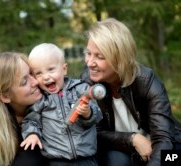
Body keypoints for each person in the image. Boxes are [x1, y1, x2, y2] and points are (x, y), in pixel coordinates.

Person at [80, 17, 181, 166]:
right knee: (115, 160)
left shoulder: (147, 81)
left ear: (120, 58)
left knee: (172, 159)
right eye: (88, 53)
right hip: (122, 150)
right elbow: (95, 133)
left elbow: (164, 140)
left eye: (99, 56)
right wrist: (132, 139)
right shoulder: (88, 81)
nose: (90, 63)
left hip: (164, 148)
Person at [20, 43, 103, 166]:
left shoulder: (80, 89)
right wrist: (32, 133)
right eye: (38, 73)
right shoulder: (41, 100)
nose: (46, 77)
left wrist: (88, 113)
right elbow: (30, 121)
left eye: (51, 70)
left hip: (86, 158)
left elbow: (98, 116)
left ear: (64, 69)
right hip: (57, 160)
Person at [0, 52, 48, 166]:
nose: (35, 82)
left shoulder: (55, 109)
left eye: (31, 73)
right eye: (24, 82)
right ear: (5, 96)